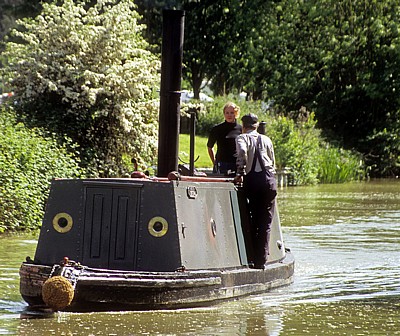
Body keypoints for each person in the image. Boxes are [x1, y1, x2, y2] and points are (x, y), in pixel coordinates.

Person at [234, 113, 277, 269]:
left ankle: (250, 257)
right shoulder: (267, 140)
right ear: (257, 126)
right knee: (265, 221)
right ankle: (261, 261)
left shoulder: (241, 138)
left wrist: (239, 173)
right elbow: (272, 162)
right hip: (269, 182)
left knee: (251, 219)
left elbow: (242, 153)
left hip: (252, 182)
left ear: (243, 126)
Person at [207, 102, 242, 175]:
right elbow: (210, 147)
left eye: (232, 113)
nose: (229, 115)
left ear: (236, 114)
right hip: (221, 163)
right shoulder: (217, 129)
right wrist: (214, 162)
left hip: (236, 164)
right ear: (224, 114)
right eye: (227, 113)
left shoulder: (241, 129)